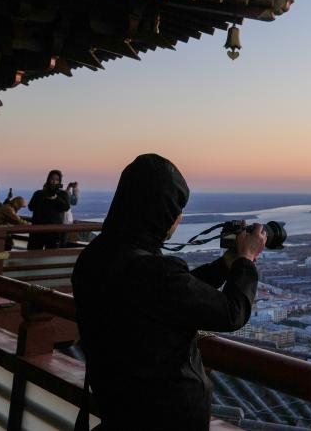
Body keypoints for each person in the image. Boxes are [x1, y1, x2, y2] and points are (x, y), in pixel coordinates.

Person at [71, 154, 264, 431]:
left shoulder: (96, 256)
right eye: (176, 208)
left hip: (119, 410)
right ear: (159, 211)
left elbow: (174, 294)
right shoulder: (150, 271)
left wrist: (225, 264)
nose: (179, 217)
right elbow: (232, 313)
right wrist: (246, 260)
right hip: (165, 418)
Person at [28, 170, 71, 249]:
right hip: (37, 231)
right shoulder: (38, 193)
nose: (54, 181)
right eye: (52, 179)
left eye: (57, 179)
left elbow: (66, 207)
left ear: (60, 181)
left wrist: (56, 198)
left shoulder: (63, 194)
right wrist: (44, 197)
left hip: (54, 232)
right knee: (33, 254)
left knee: (52, 254)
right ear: (48, 179)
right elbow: (31, 207)